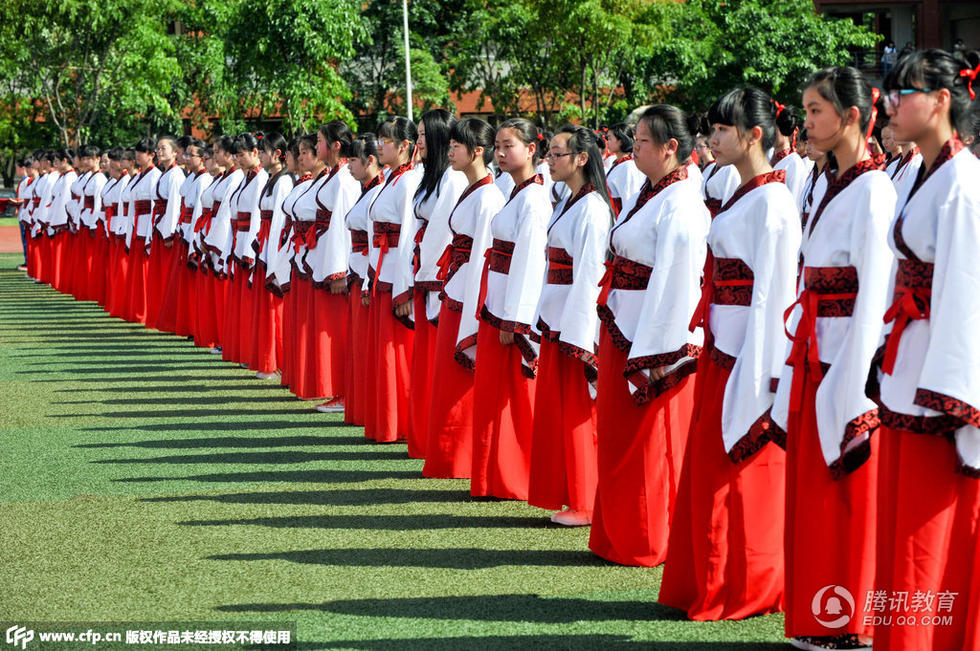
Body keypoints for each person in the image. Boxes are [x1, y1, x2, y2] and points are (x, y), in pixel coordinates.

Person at [659, 88, 799, 617]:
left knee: (744, 474)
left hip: (747, 355)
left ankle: (747, 584)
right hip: (722, 345)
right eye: (711, 129)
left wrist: (759, 371)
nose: (712, 139)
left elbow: (775, 295)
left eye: (722, 130)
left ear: (754, 134)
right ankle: (712, 578)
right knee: (714, 471)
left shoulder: (774, 201)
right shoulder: (742, 192)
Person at [770, 66, 896, 650]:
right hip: (814, 347)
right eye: (805, 109)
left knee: (845, 487)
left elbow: (875, 291)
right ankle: (818, 611)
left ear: (851, 116)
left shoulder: (873, 190)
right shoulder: (828, 182)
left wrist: (854, 376)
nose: (806, 121)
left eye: (817, 110)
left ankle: (849, 620)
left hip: (846, 354)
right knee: (815, 487)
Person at [874, 49, 980, 651]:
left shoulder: (963, 185)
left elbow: (966, 295)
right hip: (909, 366)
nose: (890, 105)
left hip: (937, 388)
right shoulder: (928, 172)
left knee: (928, 532)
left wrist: (952, 400)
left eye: (902, 93)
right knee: (907, 531)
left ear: (941, 100)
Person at [590, 104, 708, 566]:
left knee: (648, 441)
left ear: (670, 147)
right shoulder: (652, 191)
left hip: (650, 339)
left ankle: (647, 537)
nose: (632, 147)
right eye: (634, 140)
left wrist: (659, 351)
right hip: (625, 324)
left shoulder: (681, 201)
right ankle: (619, 532)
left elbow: (678, 279)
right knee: (621, 437)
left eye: (641, 142)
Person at [527, 125, 611, 526]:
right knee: (563, 410)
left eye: (557, 153)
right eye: (549, 152)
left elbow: (590, 272)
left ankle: (586, 498)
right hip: (556, 316)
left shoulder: (592, 207)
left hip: (572, 322)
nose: (549, 159)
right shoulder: (569, 200)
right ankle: (572, 491)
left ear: (581, 158)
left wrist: (580, 336)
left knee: (579, 411)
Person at [467, 118, 551, 500]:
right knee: (493, 395)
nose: (500, 153)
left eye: (509, 146)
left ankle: (514, 475)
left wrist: (516, 320)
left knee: (512, 398)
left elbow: (531, 261)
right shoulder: (515, 191)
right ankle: (493, 474)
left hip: (508, 308)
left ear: (531, 149)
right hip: (496, 300)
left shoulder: (533, 197)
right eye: (497, 146)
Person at [423, 117, 505, 479]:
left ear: (478, 152)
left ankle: (460, 457)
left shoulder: (489, 196)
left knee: (460, 381)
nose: (451, 150)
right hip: (455, 288)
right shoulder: (469, 189)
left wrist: (472, 311)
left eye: (458, 146)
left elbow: (482, 259)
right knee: (447, 379)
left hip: (467, 295)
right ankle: (447, 455)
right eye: (451, 144)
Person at [410, 109, 467, 457]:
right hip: (425, 271)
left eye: (421, 135)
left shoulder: (452, 179)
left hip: (440, 278)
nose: (417, 142)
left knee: (440, 364)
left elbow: (441, 234)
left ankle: (444, 441)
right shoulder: (432, 177)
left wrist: (426, 277)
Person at [364, 117, 422, 443]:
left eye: (386, 140)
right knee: (384, 355)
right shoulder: (390, 178)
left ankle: (398, 424)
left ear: (404, 146)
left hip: (395, 275)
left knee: (396, 355)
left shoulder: (410, 181)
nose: (379, 145)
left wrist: (403, 289)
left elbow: (407, 238)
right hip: (381, 270)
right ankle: (385, 421)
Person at [307, 121, 360, 411]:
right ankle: (337, 389)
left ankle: (343, 391)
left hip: (337, 264)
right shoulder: (336, 175)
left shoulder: (344, 179)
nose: (317, 147)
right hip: (324, 256)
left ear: (335, 145)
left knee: (339, 332)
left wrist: (338, 269)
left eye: (320, 141)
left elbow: (343, 225)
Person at [343, 135, 385, 426]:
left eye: (354, 160)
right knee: (359, 346)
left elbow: (376, 240)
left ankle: (370, 409)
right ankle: (362, 408)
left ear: (370, 160)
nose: (349, 166)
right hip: (358, 271)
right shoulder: (367, 190)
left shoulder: (379, 191)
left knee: (366, 348)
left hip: (368, 273)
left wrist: (369, 281)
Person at [250, 132, 292, 379]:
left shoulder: (284, 181)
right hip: (265, 239)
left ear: (278, 154)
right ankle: (267, 358)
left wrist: (272, 255)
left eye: (264, 151)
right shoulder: (271, 179)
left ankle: (276, 361)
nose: (261, 155)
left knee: (274, 305)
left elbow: (278, 222)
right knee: (266, 305)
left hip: (272, 241)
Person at [145, 136, 185, 331]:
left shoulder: (176, 175)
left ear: (175, 152)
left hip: (166, 231)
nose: (159, 152)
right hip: (158, 226)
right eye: (158, 149)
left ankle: (168, 318)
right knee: (158, 276)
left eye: (164, 148)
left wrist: (169, 233)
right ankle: (159, 315)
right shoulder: (165, 173)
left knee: (166, 276)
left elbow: (175, 206)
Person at [125, 139, 162, 324]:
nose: (138, 156)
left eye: (142, 152)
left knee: (145, 272)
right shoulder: (140, 175)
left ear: (151, 155)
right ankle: (137, 310)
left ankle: (146, 312)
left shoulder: (155, 175)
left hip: (147, 224)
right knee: (137, 272)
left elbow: (155, 205)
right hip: (137, 224)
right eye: (137, 152)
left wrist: (149, 234)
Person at [604, 122, 645, 217]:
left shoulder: (628, 167)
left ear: (621, 141)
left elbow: (629, 200)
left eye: (609, 138)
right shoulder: (617, 163)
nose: (607, 142)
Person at [772, 106, 811, 205]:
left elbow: (795, 205)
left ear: (784, 130)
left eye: (774, 129)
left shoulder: (795, 165)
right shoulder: (769, 159)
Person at [14, 156, 37, 273]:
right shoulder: (24, 181)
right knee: (24, 238)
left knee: (26, 238)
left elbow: (27, 198)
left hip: (27, 213)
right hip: (22, 213)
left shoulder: (28, 181)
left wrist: (16, 201)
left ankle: (28, 262)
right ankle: (27, 261)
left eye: (17, 168)